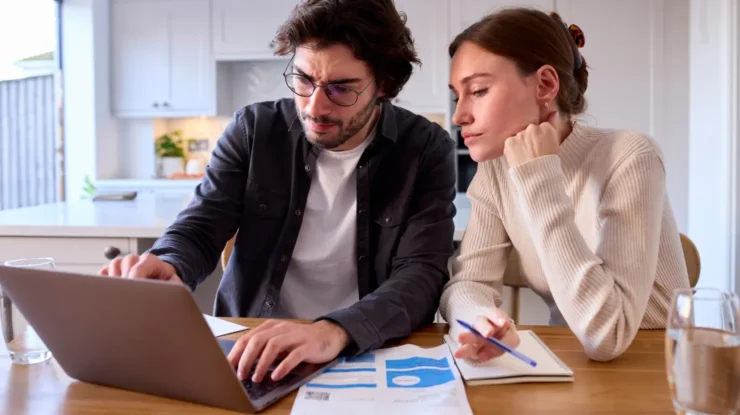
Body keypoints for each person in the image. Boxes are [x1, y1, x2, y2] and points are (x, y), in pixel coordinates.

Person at [100, 0, 457, 383]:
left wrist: (333, 331)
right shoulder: (254, 129)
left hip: (363, 349)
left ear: (383, 85)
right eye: (303, 80)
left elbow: (421, 274)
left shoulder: (424, 148)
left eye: (341, 89)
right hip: (251, 346)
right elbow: (202, 226)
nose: (314, 107)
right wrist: (169, 262)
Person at [441, 7, 690, 363]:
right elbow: (468, 283)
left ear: (545, 85)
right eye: (457, 95)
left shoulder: (630, 156)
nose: (459, 115)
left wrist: (540, 174)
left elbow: (608, 334)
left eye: (478, 90)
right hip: (572, 362)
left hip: (654, 365)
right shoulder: (496, 172)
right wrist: (482, 322)